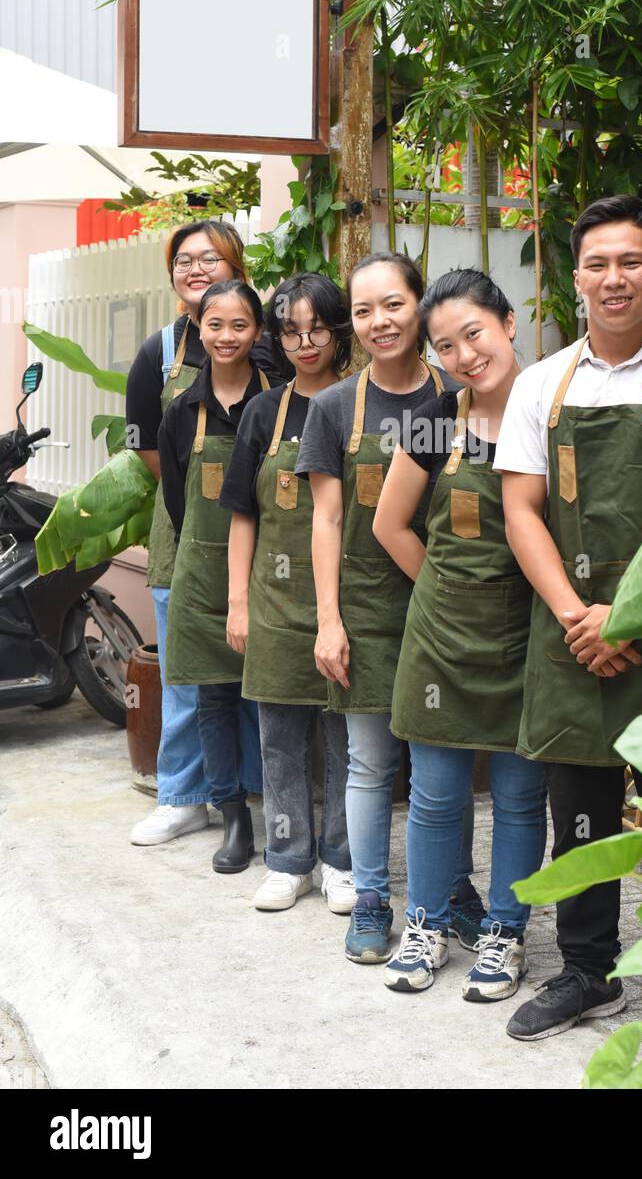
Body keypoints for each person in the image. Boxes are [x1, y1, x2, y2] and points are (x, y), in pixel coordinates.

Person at [495, 195, 642, 1071]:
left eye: (631, 262)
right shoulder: (538, 384)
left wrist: (625, 614)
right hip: (568, 635)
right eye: (596, 263)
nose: (613, 278)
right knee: (583, 817)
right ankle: (588, 970)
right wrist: (576, 616)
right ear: (575, 277)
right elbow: (521, 512)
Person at [295, 252, 480, 964]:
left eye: (394, 305)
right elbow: (325, 521)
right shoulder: (335, 407)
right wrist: (328, 619)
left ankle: (453, 890)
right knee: (369, 765)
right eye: (364, 310)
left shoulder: (457, 395)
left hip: (451, 611)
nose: (380, 322)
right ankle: (371, 898)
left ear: (420, 305)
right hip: (369, 612)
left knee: (446, 765)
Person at [372, 270, 548, 1001]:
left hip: (529, 643)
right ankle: (427, 923)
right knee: (437, 798)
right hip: (440, 644)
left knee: (517, 798)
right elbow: (388, 525)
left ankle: (504, 933)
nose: (463, 355)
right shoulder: (430, 422)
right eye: (444, 346)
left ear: (508, 323)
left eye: (473, 333)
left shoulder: (552, 417)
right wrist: (448, 592)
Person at [127, 222, 284, 848]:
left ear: (235, 265)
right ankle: (183, 796)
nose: (195, 269)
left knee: (255, 680)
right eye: (183, 260)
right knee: (189, 677)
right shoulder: (158, 352)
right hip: (184, 535)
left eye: (209, 258)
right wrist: (206, 497)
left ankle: (247, 795)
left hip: (267, 537)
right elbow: (149, 447)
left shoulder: (269, 350)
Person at [220, 273, 357, 914]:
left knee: (345, 740)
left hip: (348, 597)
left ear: (337, 331)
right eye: (291, 331)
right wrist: (240, 602)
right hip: (275, 602)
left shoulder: (363, 402)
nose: (306, 342)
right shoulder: (263, 413)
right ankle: (286, 859)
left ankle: (341, 860)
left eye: (317, 329)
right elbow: (242, 512)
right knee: (279, 738)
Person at [158, 279, 275, 873]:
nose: (226, 337)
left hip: (276, 574)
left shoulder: (280, 402)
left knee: (277, 700)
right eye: (214, 325)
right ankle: (233, 816)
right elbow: (177, 502)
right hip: (203, 577)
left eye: (239, 325)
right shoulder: (182, 412)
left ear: (257, 332)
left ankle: (281, 813)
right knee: (214, 700)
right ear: (197, 330)